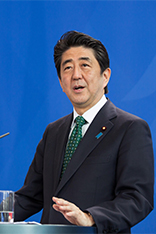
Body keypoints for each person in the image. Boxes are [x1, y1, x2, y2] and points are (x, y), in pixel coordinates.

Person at [14, 31, 154, 233]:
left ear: (105, 76)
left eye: (84, 65)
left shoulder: (130, 128)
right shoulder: (53, 131)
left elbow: (137, 198)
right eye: (68, 68)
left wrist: (90, 217)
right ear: (62, 83)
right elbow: (30, 196)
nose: (76, 75)